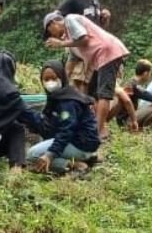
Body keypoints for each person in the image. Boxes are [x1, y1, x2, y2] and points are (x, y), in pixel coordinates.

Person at [43, 10, 129, 141]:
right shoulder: (69, 39)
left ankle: (96, 133)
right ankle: (96, 128)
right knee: (91, 96)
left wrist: (61, 44)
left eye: (50, 32)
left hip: (108, 52)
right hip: (99, 60)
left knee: (104, 94)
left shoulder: (70, 19)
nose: (52, 35)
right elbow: (71, 63)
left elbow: (84, 39)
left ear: (53, 24)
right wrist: (62, 84)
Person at [22, 60, 100, 174]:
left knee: (31, 155)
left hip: (80, 144)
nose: (50, 83)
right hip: (79, 142)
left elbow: (67, 130)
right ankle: (83, 158)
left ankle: (74, 165)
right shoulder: (58, 97)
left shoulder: (67, 102)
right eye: (46, 79)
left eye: (54, 78)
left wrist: (49, 155)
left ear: (61, 77)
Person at [58, 0, 111, 93]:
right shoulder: (72, 1)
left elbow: (100, 26)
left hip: (95, 47)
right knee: (78, 81)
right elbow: (56, 17)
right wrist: (64, 34)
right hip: (80, 47)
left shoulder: (95, 0)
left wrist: (106, 17)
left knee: (90, 83)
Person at [109, 59, 152, 129]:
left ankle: (139, 127)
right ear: (145, 73)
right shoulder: (134, 85)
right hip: (126, 120)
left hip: (123, 118)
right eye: (150, 73)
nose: (149, 76)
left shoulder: (131, 82)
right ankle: (139, 128)